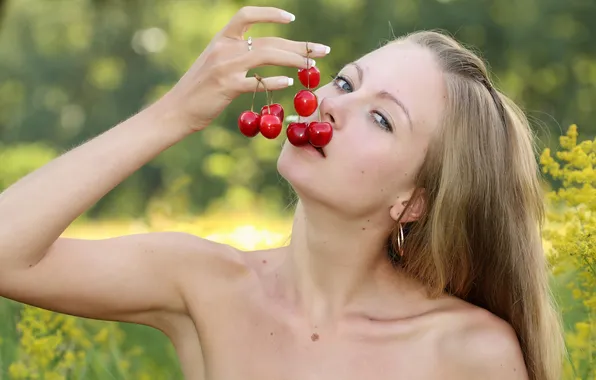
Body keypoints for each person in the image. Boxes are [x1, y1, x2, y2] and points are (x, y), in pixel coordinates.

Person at [0, 6, 564, 380]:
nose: (333, 106)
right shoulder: (201, 284)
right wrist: (174, 114)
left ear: (413, 201)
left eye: (382, 119)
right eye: (344, 82)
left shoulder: (467, 353)